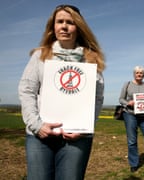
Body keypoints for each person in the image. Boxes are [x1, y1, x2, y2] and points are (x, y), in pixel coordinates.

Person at [18, 4, 105, 179]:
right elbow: (27, 90)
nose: (64, 26)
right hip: (40, 135)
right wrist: (37, 125)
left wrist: (84, 127)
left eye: (70, 22)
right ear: (53, 26)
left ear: (79, 28)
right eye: (60, 21)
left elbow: (97, 98)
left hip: (77, 137)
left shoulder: (90, 60)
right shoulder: (40, 56)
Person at [119, 66, 144, 172]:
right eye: (137, 73)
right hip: (130, 114)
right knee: (132, 140)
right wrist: (128, 103)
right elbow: (121, 99)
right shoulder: (127, 85)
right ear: (134, 74)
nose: (139, 74)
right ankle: (134, 163)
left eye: (141, 73)